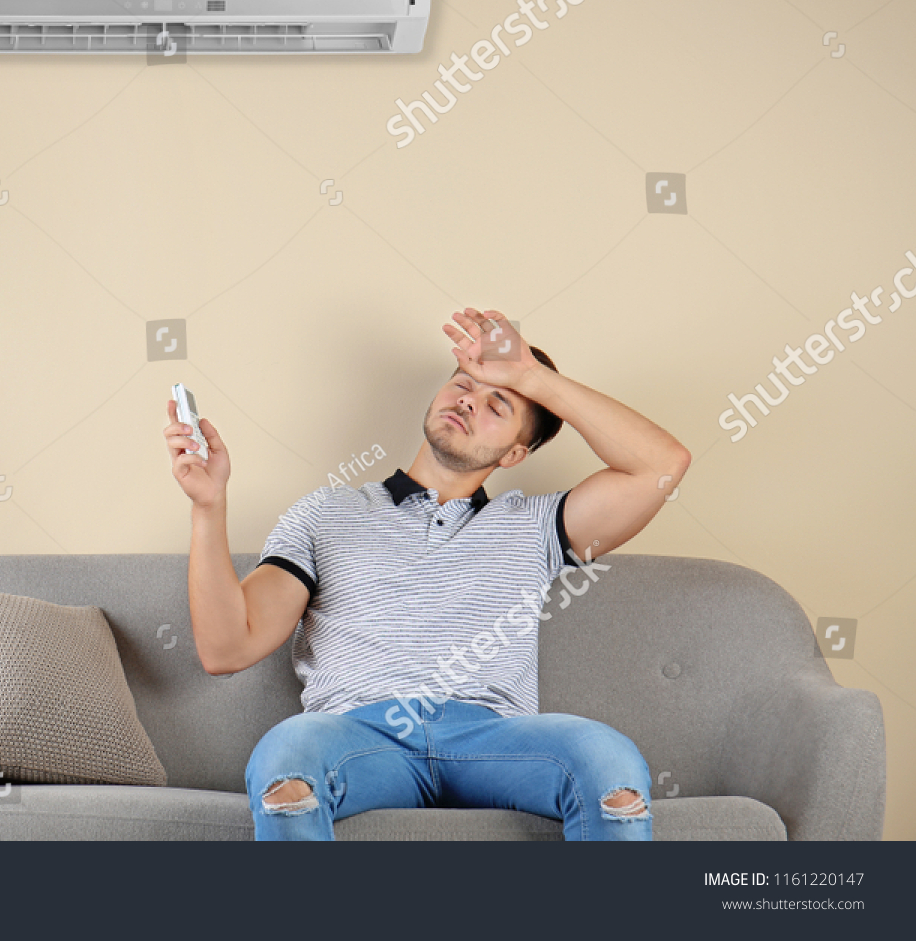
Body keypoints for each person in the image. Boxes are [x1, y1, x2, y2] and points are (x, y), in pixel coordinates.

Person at [162, 307, 691, 841]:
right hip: (361, 737)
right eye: (464, 384)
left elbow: (661, 464)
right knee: (286, 757)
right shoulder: (325, 513)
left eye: (497, 403)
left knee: (608, 760)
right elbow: (227, 649)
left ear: (514, 453)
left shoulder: (535, 525)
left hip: (493, 740)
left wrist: (531, 376)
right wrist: (209, 507)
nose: (468, 400)